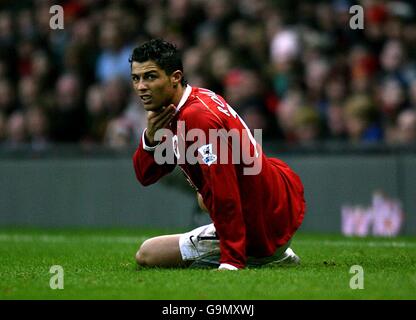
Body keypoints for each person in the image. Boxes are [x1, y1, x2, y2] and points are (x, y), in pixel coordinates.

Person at [131, 39, 306, 270]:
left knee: (147, 254)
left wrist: (231, 261)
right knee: (204, 197)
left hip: (261, 225)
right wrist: (152, 140)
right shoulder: (193, 100)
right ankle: (273, 251)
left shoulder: (196, 118)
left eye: (150, 77)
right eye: (136, 78)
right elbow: (146, 175)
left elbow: (225, 189)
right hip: (275, 203)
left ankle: (263, 254)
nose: (142, 86)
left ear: (175, 77)